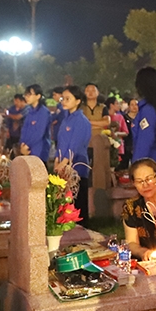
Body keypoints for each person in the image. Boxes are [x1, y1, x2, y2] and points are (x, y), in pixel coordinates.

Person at [55, 86, 92, 221]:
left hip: (77, 166)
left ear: (78, 101)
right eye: (62, 99)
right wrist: (57, 160)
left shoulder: (81, 121)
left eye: (67, 99)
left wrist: (64, 162)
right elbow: (61, 142)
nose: (63, 101)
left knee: (78, 203)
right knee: (66, 202)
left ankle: (83, 233)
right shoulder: (66, 119)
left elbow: (75, 145)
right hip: (63, 166)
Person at [122, 158, 156, 260]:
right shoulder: (131, 207)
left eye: (149, 179)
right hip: (149, 263)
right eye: (139, 181)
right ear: (133, 183)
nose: (145, 185)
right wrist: (143, 252)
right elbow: (131, 242)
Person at [19, 84, 52, 163]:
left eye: (29, 94)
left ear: (38, 96)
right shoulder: (29, 111)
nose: (26, 97)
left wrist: (27, 146)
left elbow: (39, 133)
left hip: (39, 151)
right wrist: (22, 144)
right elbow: (24, 129)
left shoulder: (44, 112)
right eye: (25, 95)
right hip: (27, 150)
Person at [106, 96, 128, 167]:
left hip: (118, 147)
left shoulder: (120, 117)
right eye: (117, 103)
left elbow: (125, 132)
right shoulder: (105, 117)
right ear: (111, 105)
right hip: (106, 146)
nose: (119, 105)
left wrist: (117, 133)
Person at [121, 97, 138, 170]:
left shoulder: (141, 118)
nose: (134, 106)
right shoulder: (123, 118)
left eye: (136, 104)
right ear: (128, 106)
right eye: (132, 105)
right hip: (126, 145)